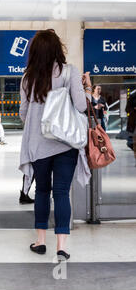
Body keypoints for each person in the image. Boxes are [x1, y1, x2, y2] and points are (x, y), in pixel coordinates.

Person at [19, 29, 92, 261]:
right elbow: (81, 106)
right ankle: (61, 246)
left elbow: (23, 114)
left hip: (38, 144)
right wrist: (87, 88)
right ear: (57, 49)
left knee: (42, 190)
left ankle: (40, 242)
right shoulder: (69, 71)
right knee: (61, 192)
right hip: (65, 143)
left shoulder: (27, 77)